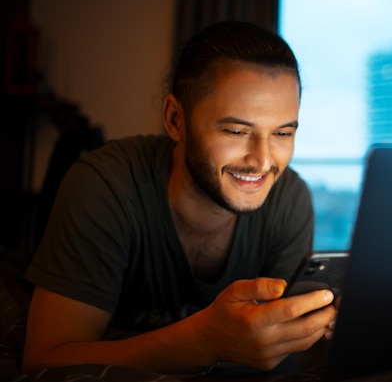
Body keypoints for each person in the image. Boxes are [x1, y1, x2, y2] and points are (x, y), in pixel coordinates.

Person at [21, 21, 337, 375]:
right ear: (175, 120)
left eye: (281, 133)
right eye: (236, 130)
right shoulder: (105, 185)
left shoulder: (289, 198)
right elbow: (42, 361)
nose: (263, 161)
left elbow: (278, 353)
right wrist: (204, 341)